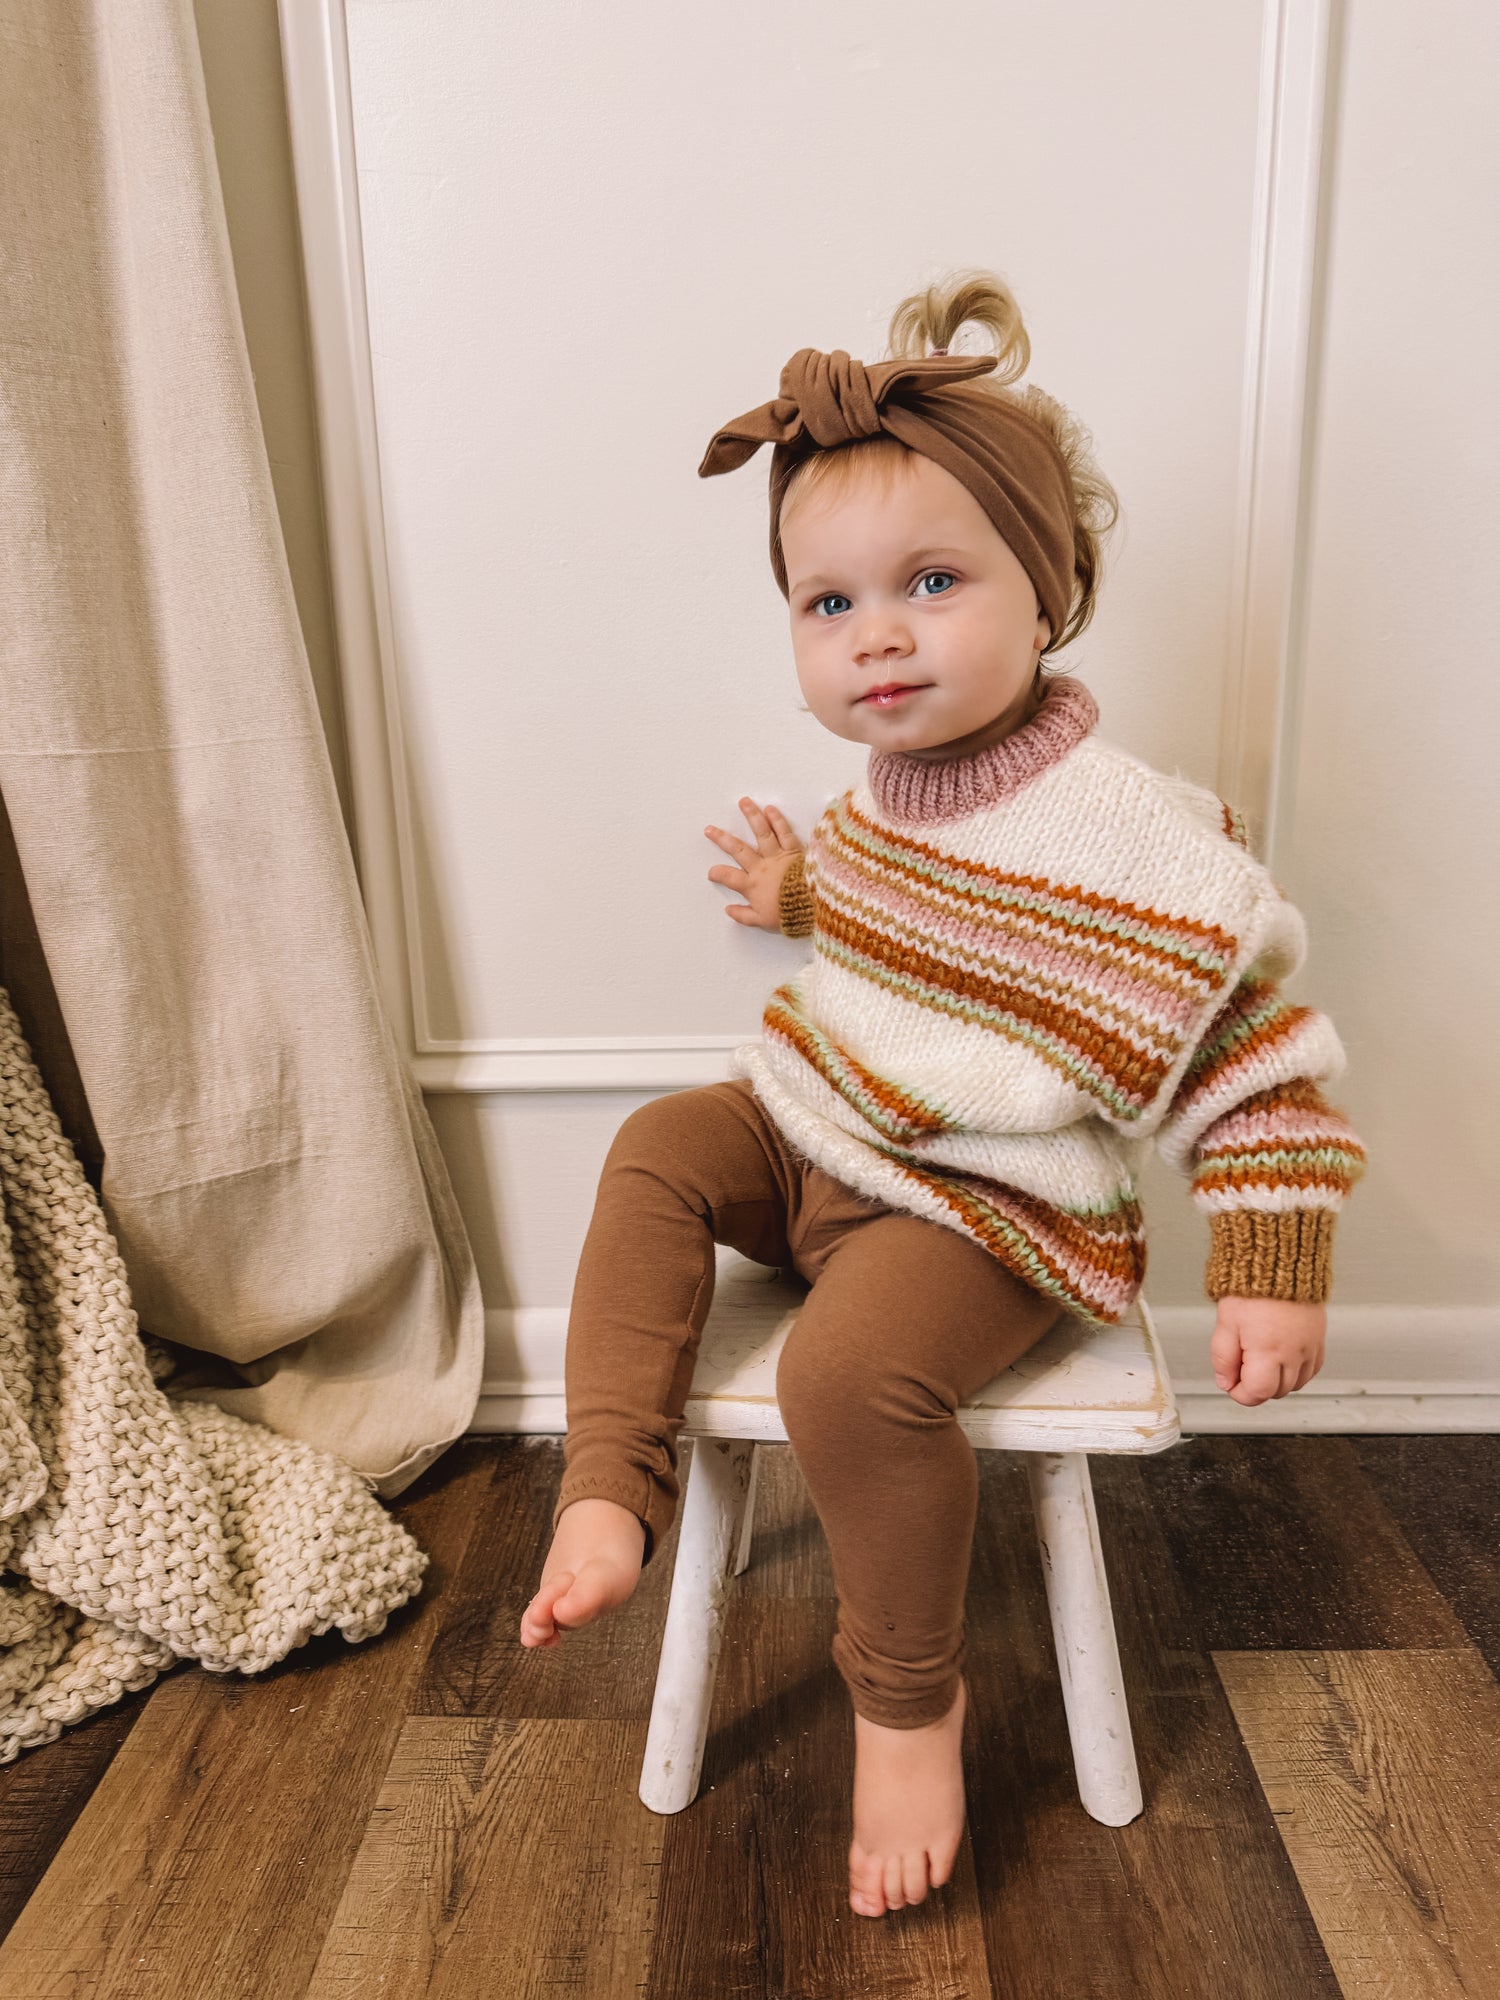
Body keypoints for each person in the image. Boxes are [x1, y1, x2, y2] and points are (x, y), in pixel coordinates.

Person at [518, 270, 1365, 1919]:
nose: (877, 634)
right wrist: (796, 891)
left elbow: (1253, 1056)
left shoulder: (1143, 847)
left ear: (1044, 598)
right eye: (826, 605)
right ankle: (609, 1484)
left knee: (849, 1379)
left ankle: (908, 1702)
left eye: (929, 582)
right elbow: (936, 932)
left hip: (990, 1202)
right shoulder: (890, 799)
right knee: (657, 1150)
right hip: (825, 1119)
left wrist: (1273, 1259)